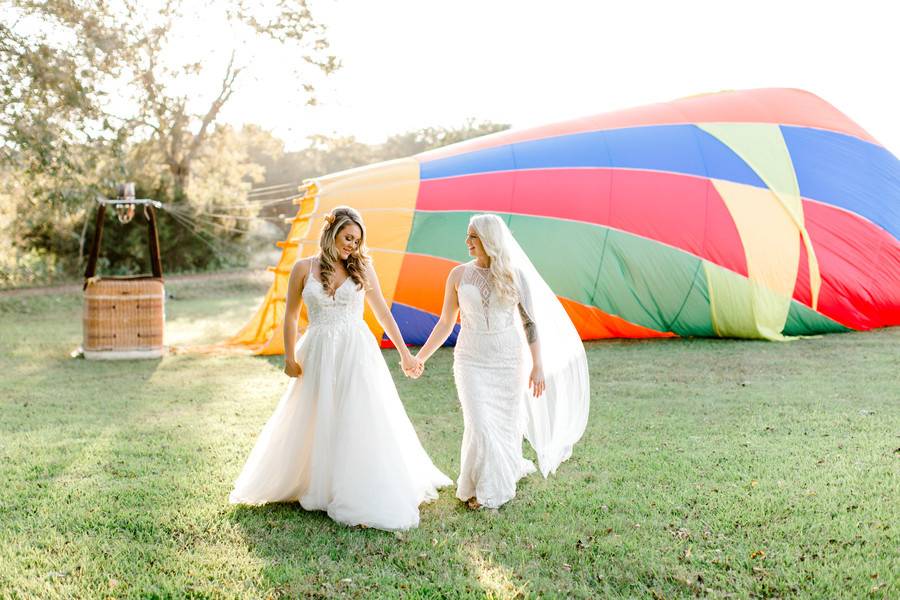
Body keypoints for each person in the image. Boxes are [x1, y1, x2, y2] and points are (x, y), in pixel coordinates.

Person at [229, 206, 451, 531]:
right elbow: (290, 316)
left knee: (357, 415)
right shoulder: (303, 268)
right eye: (348, 238)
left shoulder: (362, 268)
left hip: (355, 350)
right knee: (315, 415)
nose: (352, 246)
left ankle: (356, 484)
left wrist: (405, 354)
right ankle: (317, 481)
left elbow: (383, 314)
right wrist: (290, 358)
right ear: (332, 233)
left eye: (357, 241)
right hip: (318, 351)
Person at [412, 214, 590, 510]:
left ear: (488, 239)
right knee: (480, 423)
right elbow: (446, 322)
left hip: (508, 360)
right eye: (468, 236)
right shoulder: (457, 275)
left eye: (472, 236)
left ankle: (490, 487)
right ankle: (481, 485)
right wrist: (420, 357)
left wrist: (538, 365)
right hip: (471, 359)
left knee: (504, 425)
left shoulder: (515, 276)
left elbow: (530, 324)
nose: (466, 242)